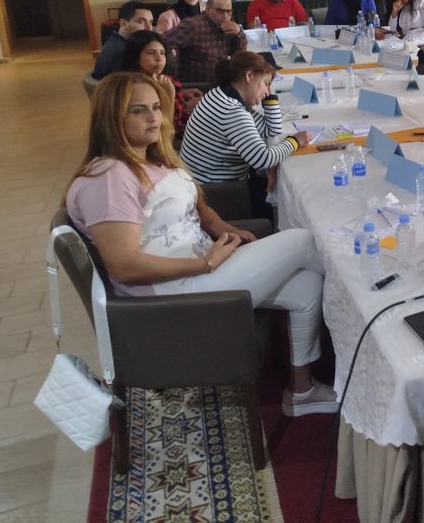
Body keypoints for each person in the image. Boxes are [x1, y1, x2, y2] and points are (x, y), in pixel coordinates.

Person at [65, 72, 336, 417]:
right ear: (111, 118)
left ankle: (302, 391)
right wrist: (206, 263)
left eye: (156, 107)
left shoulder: (147, 158)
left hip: (196, 272)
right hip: (173, 296)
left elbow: (195, 205)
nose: (154, 118)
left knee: (307, 284)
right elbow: (124, 266)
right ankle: (375, 314)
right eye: (138, 110)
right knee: (304, 240)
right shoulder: (109, 178)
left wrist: (224, 229)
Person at [180, 51, 310, 218]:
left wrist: (269, 96)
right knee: (283, 204)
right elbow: (263, 159)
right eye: (266, 84)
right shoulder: (232, 110)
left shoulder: (221, 94)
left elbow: (269, 130)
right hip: (216, 193)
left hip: (204, 184)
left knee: (275, 189)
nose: (267, 91)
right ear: (249, 76)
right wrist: (295, 141)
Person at [163, 0, 247, 84]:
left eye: (229, 12)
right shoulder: (193, 25)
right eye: (220, 11)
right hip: (195, 84)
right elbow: (166, 41)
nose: (225, 16)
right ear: (208, 9)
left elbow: (239, 58)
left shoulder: (230, 28)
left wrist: (239, 34)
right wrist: (176, 67)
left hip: (220, 82)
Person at [92, 1, 153, 79]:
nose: (149, 28)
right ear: (123, 23)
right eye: (141, 21)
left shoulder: (115, 40)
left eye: (150, 22)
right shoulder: (123, 51)